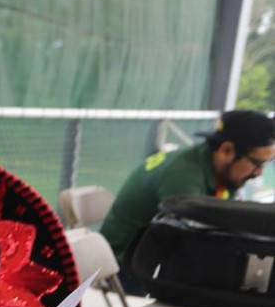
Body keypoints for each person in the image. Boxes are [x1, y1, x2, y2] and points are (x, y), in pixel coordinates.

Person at [100, 109, 275, 294]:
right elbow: (192, 248)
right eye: (257, 163)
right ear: (227, 150)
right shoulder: (184, 177)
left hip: (147, 258)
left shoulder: (219, 171)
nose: (259, 173)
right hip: (122, 267)